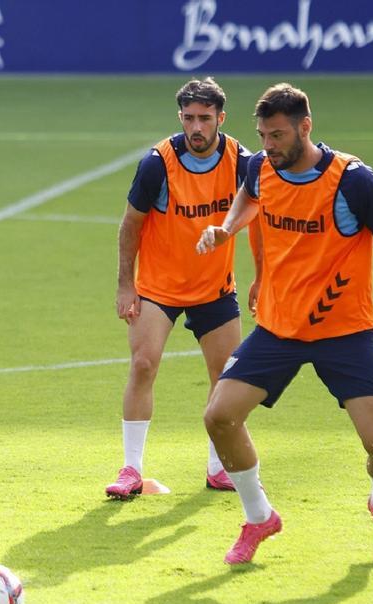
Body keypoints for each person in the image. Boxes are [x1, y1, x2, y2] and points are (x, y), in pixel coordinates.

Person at [197, 83, 373, 564]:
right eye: (263, 135)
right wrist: (227, 227)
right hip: (278, 330)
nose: (269, 145)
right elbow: (250, 195)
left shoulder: (354, 181)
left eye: (279, 135)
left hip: (345, 333)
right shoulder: (261, 166)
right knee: (218, 416)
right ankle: (259, 516)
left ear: (306, 127)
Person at [107, 77, 261, 499]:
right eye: (189, 118)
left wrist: (262, 277)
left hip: (214, 287)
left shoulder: (242, 162)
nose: (196, 127)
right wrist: (125, 285)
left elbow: (257, 218)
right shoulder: (158, 163)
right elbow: (131, 225)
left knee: (226, 377)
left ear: (220, 119)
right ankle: (131, 470)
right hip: (158, 288)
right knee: (143, 364)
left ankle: (218, 468)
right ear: (181, 117)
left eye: (205, 119)